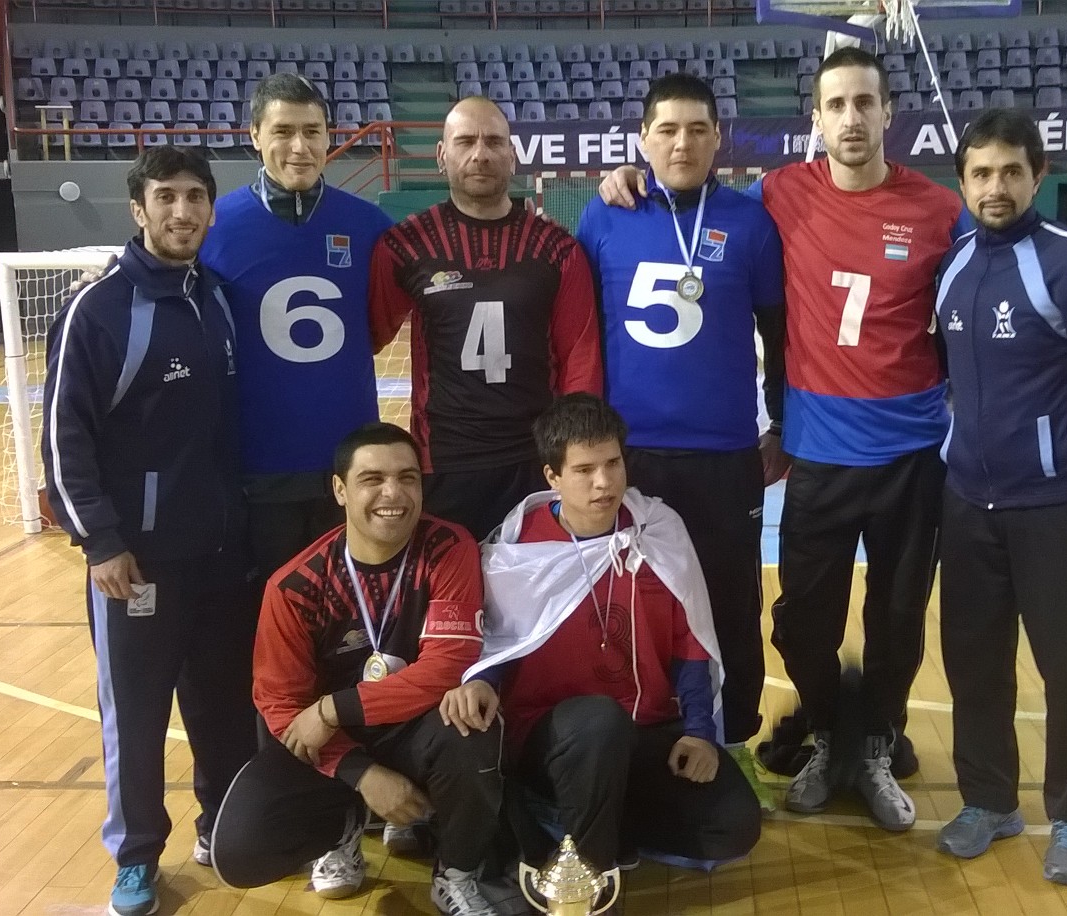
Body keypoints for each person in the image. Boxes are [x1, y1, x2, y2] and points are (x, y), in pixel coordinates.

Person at [600, 46, 969, 827]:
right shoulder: (781, 195)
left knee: (898, 617)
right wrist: (623, 179)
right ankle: (831, 731)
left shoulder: (939, 210)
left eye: (865, 103)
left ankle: (869, 742)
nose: (852, 118)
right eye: (836, 105)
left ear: (887, 112)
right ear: (816, 120)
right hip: (819, 454)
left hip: (910, 458)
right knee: (801, 619)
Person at [931, 108, 1067, 886]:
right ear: (962, 183)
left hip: (1062, 510)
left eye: (1011, 172)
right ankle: (989, 801)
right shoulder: (954, 267)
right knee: (974, 668)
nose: (996, 187)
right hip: (966, 507)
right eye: (982, 174)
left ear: (1038, 175)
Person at [41, 146, 254, 916]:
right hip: (137, 565)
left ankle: (221, 828)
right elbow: (65, 439)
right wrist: (100, 540)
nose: (183, 212)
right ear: (139, 209)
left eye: (196, 197)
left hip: (223, 557)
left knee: (224, 708)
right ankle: (135, 858)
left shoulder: (220, 299)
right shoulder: (95, 310)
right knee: (135, 717)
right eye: (167, 197)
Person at [439, 394, 761, 885]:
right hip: (557, 739)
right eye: (584, 469)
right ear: (552, 477)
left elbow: (689, 642)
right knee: (598, 722)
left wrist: (698, 731)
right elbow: (502, 637)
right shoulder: (518, 546)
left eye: (613, 463)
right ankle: (589, 870)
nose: (604, 482)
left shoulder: (657, 530)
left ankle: (576, 822)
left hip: (645, 729)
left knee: (733, 824)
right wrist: (482, 680)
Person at [572, 73, 787, 808]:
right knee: (631, 610)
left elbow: (779, 336)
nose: (682, 142)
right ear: (642, 138)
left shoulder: (751, 224)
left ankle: (735, 743)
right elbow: (577, 334)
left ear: (718, 137)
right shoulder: (604, 218)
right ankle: (645, 742)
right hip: (630, 462)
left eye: (697, 128)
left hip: (725, 459)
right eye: (667, 129)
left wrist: (781, 423)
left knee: (730, 606)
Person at [209, 423, 511, 915]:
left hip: (415, 727)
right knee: (242, 851)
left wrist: (332, 708)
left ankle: (456, 872)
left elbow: (446, 666)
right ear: (340, 490)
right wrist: (361, 772)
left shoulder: (449, 548)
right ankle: (343, 825)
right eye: (372, 479)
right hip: (341, 745)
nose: (393, 494)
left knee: (473, 728)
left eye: (407, 478)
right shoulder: (294, 586)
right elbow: (280, 703)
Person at [370, 97, 603, 541]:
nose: (480, 153)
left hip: (535, 461)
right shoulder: (404, 246)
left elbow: (580, 357)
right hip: (445, 461)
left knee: (538, 601)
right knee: (452, 604)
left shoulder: (557, 249)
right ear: (442, 155)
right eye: (466, 142)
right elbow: (370, 333)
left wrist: (575, 455)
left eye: (494, 141)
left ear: (512, 155)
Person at [200, 74, 395, 579]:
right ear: (254, 136)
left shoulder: (369, 226)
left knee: (348, 614)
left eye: (313, 132)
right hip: (255, 463)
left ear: (329, 136)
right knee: (268, 612)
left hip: (348, 464)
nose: (300, 147)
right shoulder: (214, 226)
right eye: (283, 131)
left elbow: (381, 324)